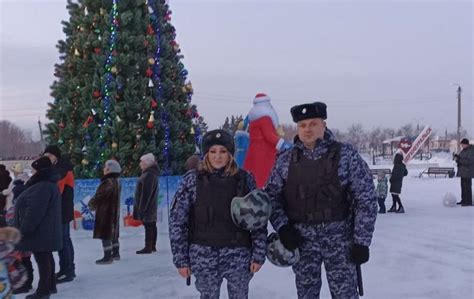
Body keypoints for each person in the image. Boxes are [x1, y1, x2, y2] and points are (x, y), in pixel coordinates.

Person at [265, 102, 378, 298]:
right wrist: (283, 228)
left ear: (323, 125)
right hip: (302, 241)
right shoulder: (285, 160)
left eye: (313, 123)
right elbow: (272, 198)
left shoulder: (345, 155)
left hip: (340, 241)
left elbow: (366, 198)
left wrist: (362, 241)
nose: (307, 129)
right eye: (302, 125)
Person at [169, 129, 267, 299]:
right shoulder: (192, 180)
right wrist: (181, 259)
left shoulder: (245, 179)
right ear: (206, 154)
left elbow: (258, 220)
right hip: (203, 255)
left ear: (230, 154)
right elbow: (177, 222)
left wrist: (258, 254)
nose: (218, 156)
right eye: (212, 151)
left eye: (223, 151)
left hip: (239, 255)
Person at [14, 157, 62, 299]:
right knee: (46, 257)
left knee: (43, 260)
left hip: (41, 231)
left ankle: (43, 291)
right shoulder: (47, 184)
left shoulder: (42, 186)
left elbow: (34, 212)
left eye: (34, 169)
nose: (32, 173)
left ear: (39, 170)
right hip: (45, 230)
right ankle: (50, 286)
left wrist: (23, 230)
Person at [43, 145, 75, 283]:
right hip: (61, 209)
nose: (48, 158)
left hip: (62, 210)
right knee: (64, 240)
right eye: (46, 155)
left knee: (63, 241)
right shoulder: (58, 169)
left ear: (56, 156)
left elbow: (56, 191)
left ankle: (67, 270)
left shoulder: (62, 171)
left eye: (50, 155)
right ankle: (67, 269)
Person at [243, 93, 288, 188]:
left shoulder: (253, 121)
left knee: (254, 175)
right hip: (265, 153)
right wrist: (283, 144)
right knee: (264, 177)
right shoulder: (265, 119)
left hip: (254, 151)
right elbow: (269, 136)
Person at [88, 160, 122, 264]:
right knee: (114, 233)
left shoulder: (107, 182)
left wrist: (92, 203)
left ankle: (107, 257)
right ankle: (116, 253)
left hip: (106, 211)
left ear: (109, 170)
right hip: (114, 211)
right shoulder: (117, 180)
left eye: (105, 168)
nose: (103, 169)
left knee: (105, 234)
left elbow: (101, 195)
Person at [133, 153, 159, 254]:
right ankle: (152, 246)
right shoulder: (151, 173)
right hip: (150, 205)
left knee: (149, 225)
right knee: (151, 224)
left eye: (141, 162)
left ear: (147, 163)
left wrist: (142, 208)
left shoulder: (149, 174)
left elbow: (146, 193)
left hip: (148, 206)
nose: (140, 164)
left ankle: (149, 247)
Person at [454, 138, 474, 206]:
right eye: (461, 144)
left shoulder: (471, 151)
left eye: (463, 144)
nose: (462, 146)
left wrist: (459, 160)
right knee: (463, 187)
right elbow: (461, 159)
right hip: (463, 172)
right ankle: (464, 200)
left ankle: (468, 202)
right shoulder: (463, 151)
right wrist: (457, 158)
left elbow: (469, 161)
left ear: (466, 144)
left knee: (467, 187)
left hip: (468, 172)